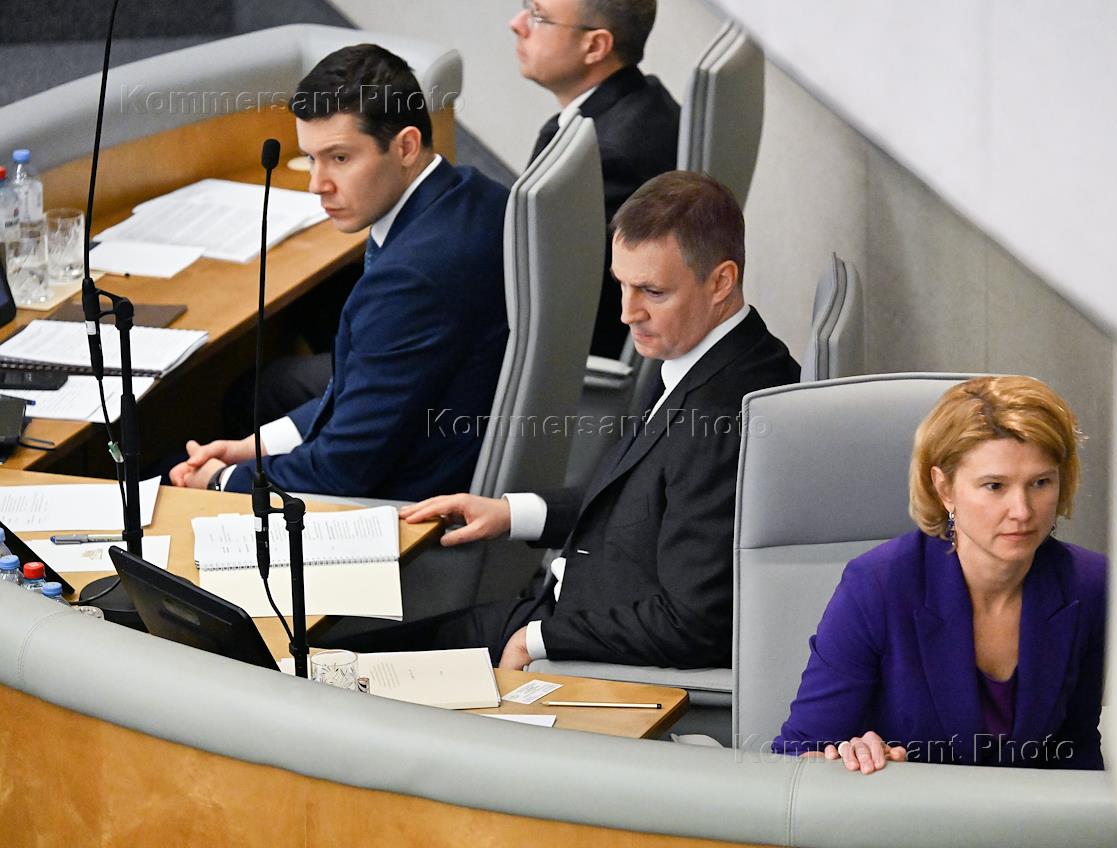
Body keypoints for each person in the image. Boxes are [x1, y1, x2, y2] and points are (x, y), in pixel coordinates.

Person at [315, 171, 802, 669]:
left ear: (721, 282)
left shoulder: (720, 421)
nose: (627, 313)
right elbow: (637, 500)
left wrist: (539, 640)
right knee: (339, 658)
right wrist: (510, 512)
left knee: (335, 673)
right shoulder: (707, 355)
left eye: (652, 291)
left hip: (588, 654)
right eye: (622, 285)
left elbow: (693, 623)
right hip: (574, 608)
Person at [169, 45, 509, 499]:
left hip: (408, 504)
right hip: (430, 437)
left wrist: (220, 481)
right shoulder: (476, 193)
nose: (317, 184)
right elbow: (365, 395)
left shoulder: (410, 280)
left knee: (156, 479)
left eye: (340, 158)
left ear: (405, 147)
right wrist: (251, 449)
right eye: (311, 158)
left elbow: (341, 472)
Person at [773, 376, 1107, 772]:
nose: (1022, 510)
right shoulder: (878, 585)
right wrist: (849, 756)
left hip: (1029, 812)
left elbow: (1077, 748)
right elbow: (796, 753)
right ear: (944, 488)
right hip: (907, 809)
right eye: (994, 486)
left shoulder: (1090, 584)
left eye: (1040, 483)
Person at [512, 0, 679, 358]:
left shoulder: (601, 158)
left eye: (538, 16)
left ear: (595, 46)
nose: (517, 24)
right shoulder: (649, 100)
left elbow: (533, 287)